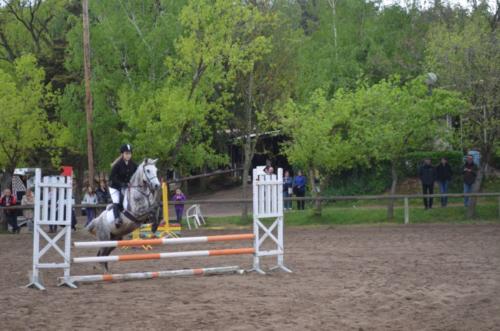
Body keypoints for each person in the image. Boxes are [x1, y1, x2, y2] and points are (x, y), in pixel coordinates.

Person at [109, 144, 138, 227]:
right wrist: (122, 184)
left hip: (126, 186)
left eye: (129, 153)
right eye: (126, 153)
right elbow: (112, 178)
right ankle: (117, 218)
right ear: (122, 154)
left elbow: (138, 172)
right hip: (115, 187)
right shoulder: (117, 165)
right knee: (117, 201)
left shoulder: (133, 164)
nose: (128, 155)